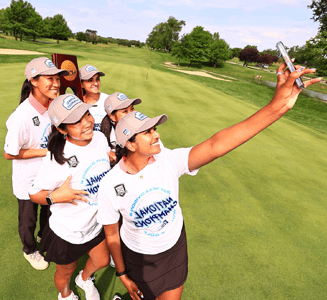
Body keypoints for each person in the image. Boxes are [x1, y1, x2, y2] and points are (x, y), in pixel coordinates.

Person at [96, 63, 322, 300]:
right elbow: (112, 235)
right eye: (148, 132)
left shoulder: (168, 160)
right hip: (140, 258)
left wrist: (279, 106)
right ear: (130, 144)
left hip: (174, 249)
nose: (157, 135)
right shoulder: (110, 185)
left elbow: (216, 145)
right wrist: (121, 273)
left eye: (154, 129)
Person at [29, 94, 111, 300]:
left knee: (102, 261)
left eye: (87, 114)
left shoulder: (100, 138)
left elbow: (103, 163)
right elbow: (33, 194)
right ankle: (65, 294)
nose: (87, 122)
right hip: (66, 233)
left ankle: (84, 279)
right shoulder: (56, 158)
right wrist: (54, 197)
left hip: (95, 225)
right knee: (64, 272)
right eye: (76, 121)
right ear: (62, 129)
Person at [3, 57, 69, 270]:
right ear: (33, 80)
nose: (56, 83)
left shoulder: (53, 107)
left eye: (57, 78)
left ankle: (44, 237)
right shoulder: (21, 116)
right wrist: (45, 151)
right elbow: (9, 153)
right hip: (27, 181)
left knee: (48, 212)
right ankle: (30, 250)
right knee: (27, 221)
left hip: (48, 176)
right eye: (49, 78)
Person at [100, 92, 142, 166]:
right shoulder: (106, 137)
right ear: (112, 117)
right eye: (125, 111)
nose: (131, 114)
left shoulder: (145, 130)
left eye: (132, 109)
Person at [79, 64, 109, 131]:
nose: (95, 83)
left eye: (97, 79)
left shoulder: (108, 100)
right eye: (90, 80)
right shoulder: (77, 102)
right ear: (81, 84)